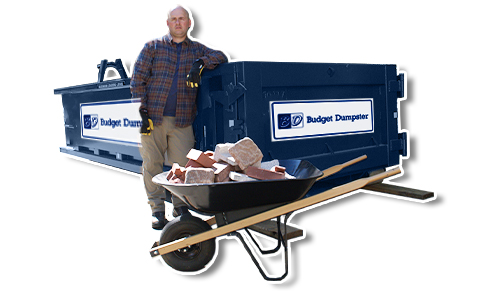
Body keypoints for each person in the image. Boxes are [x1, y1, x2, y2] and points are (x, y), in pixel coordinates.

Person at [130, 5, 228, 230]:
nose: (177, 23)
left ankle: (180, 207)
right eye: (173, 19)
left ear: (189, 23)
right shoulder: (152, 47)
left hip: (182, 120)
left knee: (182, 166)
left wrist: (200, 63)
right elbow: (137, 80)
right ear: (167, 23)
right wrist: (142, 112)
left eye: (181, 19)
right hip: (153, 118)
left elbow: (221, 56)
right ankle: (156, 210)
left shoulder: (196, 50)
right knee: (152, 165)